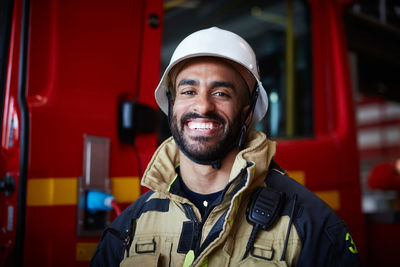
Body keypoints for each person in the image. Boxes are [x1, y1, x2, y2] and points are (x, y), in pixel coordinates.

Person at [91, 27, 361, 266]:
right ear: (171, 105)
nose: (203, 106)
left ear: (246, 111)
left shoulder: (311, 226)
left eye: (221, 93)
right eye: (188, 91)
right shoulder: (130, 227)